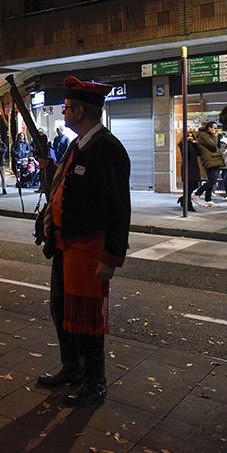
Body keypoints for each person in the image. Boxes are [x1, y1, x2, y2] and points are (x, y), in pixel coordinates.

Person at [37, 76, 131, 407]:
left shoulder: (108, 149)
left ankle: (95, 381)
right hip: (66, 244)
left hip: (90, 248)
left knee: (87, 318)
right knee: (62, 310)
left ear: (79, 110)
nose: (63, 112)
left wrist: (112, 256)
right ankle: (71, 368)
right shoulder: (77, 146)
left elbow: (120, 206)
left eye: (66, 108)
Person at [193, 121, 224, 207]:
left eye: (216, 128)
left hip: (214, 159)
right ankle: (197, 194)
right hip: (209, 160)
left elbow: (217, 146)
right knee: (212, 180)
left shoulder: (209, 136)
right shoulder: (203, 136)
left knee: (212, 180)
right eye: (214, 128)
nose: (216, 130)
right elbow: (213, 146)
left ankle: (208, 199)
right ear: (209, 128)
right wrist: (214, 136)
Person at [177, 131, 201, 211]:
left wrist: (195, 143)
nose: (190, 137)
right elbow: (187, 153)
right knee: (189, 186)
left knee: (195, 185)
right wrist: (187, 142)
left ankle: (183, 198)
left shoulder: (193, 144)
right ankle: (188, 204)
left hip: (194, 167)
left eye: (192, 136)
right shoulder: (183, 144)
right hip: (188, 167)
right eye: (188, 136)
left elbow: (200, 153)